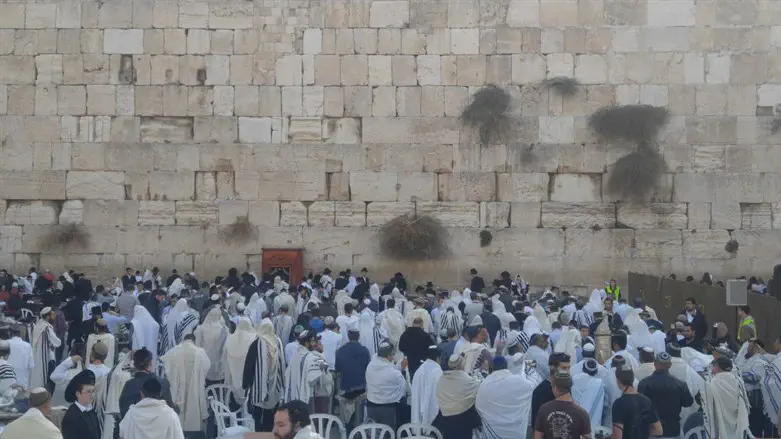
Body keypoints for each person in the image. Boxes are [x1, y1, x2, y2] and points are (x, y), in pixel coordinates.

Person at [160, 333, 211, 437]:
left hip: (178, 388)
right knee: (194, 405)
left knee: (179, 408)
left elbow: (164, 362)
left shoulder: (174, 351)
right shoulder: (200, 352)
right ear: (194, 341)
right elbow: (207, 367)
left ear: (184, 340)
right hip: (195, 387)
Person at [476, 356, 538, 439]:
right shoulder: (519, 381)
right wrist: (527, 364)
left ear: (492, 367)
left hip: (493, 434)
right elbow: (535, 383)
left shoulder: (485, 384)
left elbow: (479, 405)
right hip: (516, 434)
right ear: (506, 366)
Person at [243, 318, 287, 432]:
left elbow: (249, 366)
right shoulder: (278, 343)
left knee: (257, 419)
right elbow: (283, 364)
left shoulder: (257, 344)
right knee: (270, 419)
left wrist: (246, 384)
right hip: (274, 389)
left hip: (259, 388)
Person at [637, 352, 693, 439]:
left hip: (652, 431)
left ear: (655, 364)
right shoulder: (680, 384)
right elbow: (688, 403)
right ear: (670, 365)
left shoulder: (644, 383)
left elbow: (639, 408)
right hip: (672, 430)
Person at [119, 377, 185, 439]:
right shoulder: (171, 415)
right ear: (160, 393)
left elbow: (121, 433)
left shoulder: (131, 414)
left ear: (141, 393)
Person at [119, 348, 176, 420]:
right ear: (151, 363)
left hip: (136, 428)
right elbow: (170, 410)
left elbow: (124, 412)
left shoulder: (129, 385)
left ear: (135, 365)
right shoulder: (163, 383)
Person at [435, 355, 482, 439]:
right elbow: (477, 385)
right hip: (463, 421)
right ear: (462, 365)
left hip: (446, 420)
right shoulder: (467, 379)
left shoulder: (441, 379)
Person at [533, 371, 591, 439]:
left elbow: (537, 437)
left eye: (552, 386)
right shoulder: (582, 413)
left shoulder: (543, 409)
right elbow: (588, 437)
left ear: (556, 389)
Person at [703, 357, 750, 439]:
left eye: (713, 366)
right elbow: (745, 404)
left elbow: (707, 406)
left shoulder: (711, 382)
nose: (712, 368)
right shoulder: (738, 381)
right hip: (737, 424)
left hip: (719, 425)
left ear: (717, 367)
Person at [334, 324, 371, 427]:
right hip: (361, 387)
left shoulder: (341, 351)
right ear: (358, 336)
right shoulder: (364, 350)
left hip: (346, 387)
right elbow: (368, 368)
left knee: (346, 417)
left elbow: (338, 369)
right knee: (359, 413)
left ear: (348, 336)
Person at [365, 340, 407, 430]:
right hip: (387, 408)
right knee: (388, 433)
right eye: (392, 354)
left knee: (373, 433)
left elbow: (387, 371)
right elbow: (402, 386)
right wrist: (401, 369)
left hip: (371, 405)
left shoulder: (370, 366)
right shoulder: (394, 374)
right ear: (388, 356)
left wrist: (398, 367)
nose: (393, 356)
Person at [612, 366, 662, 439]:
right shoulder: (646, 401)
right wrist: (642, 432)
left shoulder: (619, 404)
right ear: (632, 379)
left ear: (617, 380)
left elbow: (617, 437)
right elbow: (658, 430)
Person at [284, 330, 330, 408]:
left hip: (292, 396)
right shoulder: (310, 357)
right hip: (306, 397)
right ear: (306, 343)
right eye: (313, 341)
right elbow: (312, 381)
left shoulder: (296, 355)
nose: (315, 344)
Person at [531, 352, 571, 430]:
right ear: (552, 368)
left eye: (568, 368)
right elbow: (535, 425)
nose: (568, 372)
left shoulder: (566, 387)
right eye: (564, 368)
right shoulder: (540, 392)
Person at [223, 317, 257, 404]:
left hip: (232, 381)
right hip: (249, 381)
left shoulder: (230, 338)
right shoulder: (254, 338)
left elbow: (224, 359)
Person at [61, 369, 101, 439]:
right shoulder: (71, 416)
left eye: (93, 391)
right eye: (88, 392)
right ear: (78, 394)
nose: (91, 395)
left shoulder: (91, 411)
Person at [31, 307, 62, 391]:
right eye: (52, 314)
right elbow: (58, 342)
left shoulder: (38, 325)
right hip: (48, 358)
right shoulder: (47, 328)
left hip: (37, 356)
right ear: (48, 316)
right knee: (50, 381)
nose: (54, 316)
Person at [410, 346, 443, 426]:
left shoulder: (419, 370)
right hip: (435, 415)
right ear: (438, 358)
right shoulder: (438, 371)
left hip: (418, 412)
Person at [194, 307, 227, 385]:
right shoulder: (223, 329)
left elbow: (197, 346)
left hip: (204, 364)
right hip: (218, 365)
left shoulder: (201, 328)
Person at [572, 359, 607, 431]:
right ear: (596, 371)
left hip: (576, 422)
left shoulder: (574, 379)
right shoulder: (600, 384)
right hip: (594, 426)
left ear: (583, 369)